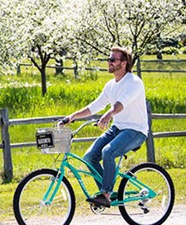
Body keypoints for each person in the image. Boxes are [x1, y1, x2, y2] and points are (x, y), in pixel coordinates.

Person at [60, 46, 148, 208]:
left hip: (136, 130)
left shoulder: (134, 82)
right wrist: (72, 116)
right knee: (90, 157)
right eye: (109, 59)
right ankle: (106, 191)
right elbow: (95, 106)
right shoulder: (110, 85)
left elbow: (121, 103)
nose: (109, 62)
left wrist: (108, 116)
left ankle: (106, 194)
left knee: (108, 152)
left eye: (113, 60)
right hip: (118, 128)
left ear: (124, 63)